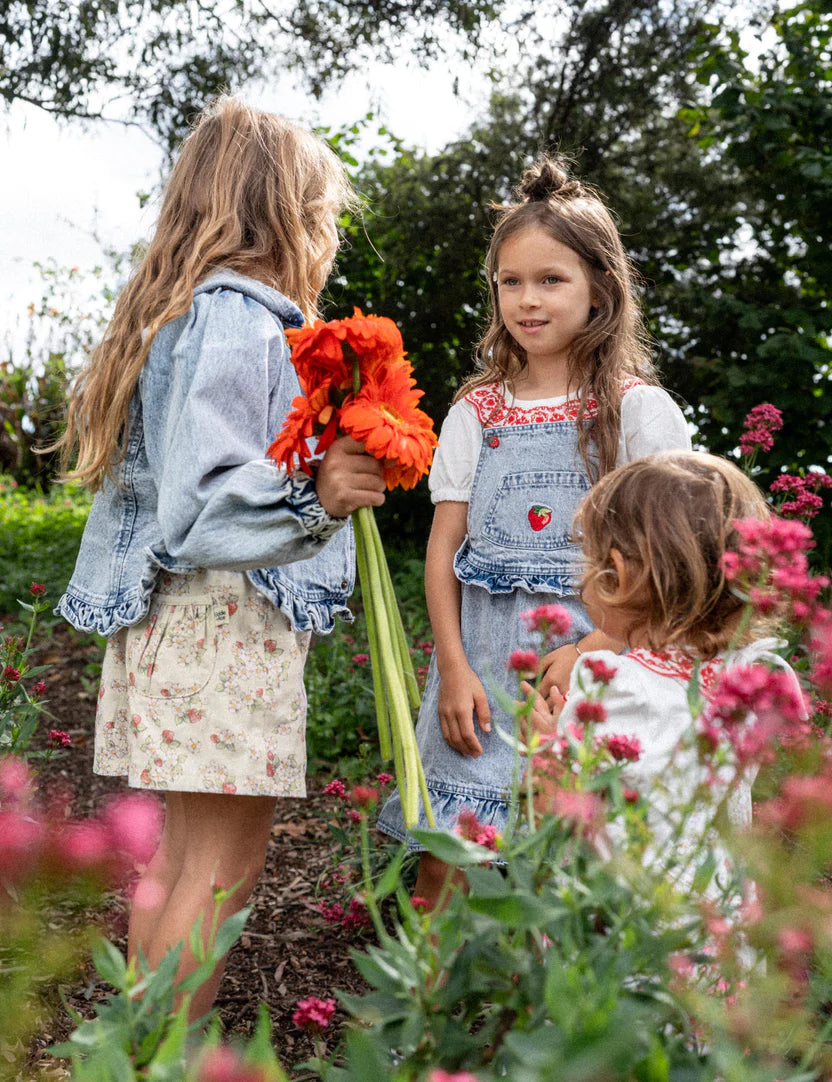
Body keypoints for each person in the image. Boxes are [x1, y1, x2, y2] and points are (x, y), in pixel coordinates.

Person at [54, 96, 386, 1018]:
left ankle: (144, 1048)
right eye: (321, 215)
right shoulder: (242, 317)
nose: (326, 234)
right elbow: (204, 504)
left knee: (186, 856)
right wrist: (314, 493)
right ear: (285, 215)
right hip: (225, 619)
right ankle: (174, 1054)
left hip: (181, 620)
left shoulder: (181, 314)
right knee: (224, 867)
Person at [377, 155, 690, 907]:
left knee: (572, 867)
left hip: (595, 670)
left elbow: (669, 567)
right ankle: (430, 1014)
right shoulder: (476, 412)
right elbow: (444, 550)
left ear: (600, 289)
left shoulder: (636, 412)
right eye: (511, 282)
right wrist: (452, 669)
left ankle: (544, 1013)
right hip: (479, 675)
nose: (528, 299)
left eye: (551, 280)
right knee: (448, 859)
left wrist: (589, 650)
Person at [525, 451, 805, 887]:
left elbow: (566, 817)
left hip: (625, 925)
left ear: (615, 573)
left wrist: (544, 750)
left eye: (587, 559)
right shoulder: (746, 679)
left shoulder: (616, 686)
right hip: (714, 920)